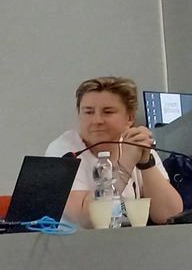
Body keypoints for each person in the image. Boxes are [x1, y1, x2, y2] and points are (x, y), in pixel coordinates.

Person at [45, 76, 182, 227]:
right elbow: (86, 219)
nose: (97, 120)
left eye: (107, 112)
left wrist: (146, 163)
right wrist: (125, 165)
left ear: (130, 118)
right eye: (88, 112)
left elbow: (168, 215)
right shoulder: (62, 150)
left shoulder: (134, 142)